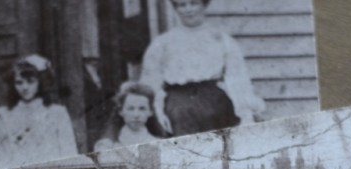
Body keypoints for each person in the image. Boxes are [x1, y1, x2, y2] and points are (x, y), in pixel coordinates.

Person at [140, 0, 264, 136]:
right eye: (182, 5)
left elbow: (238, 79)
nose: (188, 9)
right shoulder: (162, 43)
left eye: (194, 3)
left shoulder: (221, 40)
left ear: (204, 5)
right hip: (177, 104)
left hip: (214, 101)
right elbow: (150, 83)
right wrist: (158, 113)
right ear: (176, 9)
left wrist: (246, 113)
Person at [0, 54, 78, 169]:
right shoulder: (7, 115)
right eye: (19, 83)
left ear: (40, 82)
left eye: (30, 82)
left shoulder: (57, 113)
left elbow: (69, 152)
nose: (25, 87)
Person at [94, 81, 166, 150]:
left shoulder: (160, 144)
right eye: (130, 108)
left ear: (150, 112)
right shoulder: (107, 146)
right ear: (120, 111)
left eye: (142, 109)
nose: (136, 115)